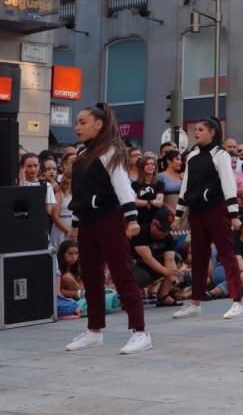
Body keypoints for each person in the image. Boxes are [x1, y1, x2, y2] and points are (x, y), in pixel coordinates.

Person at [64, 103, 151, 355]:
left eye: (83, 122)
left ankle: (140, 332)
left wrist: (132, 219)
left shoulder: (110, 152)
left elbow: (123, 187)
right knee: (90, 276)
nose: (77, 127)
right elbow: (80, 194)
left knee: (122, 274)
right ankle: (94, 331)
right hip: (88, 222)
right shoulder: (83, 155)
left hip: (110, 219)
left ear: (98, 124)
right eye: (77, 123)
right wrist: (76, 223)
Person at [172, 118, 243, 321]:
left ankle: (237, 302)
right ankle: (195, 302)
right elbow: (185, 186)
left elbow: (228, 184)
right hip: (196, 212)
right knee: (198, 256)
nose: (196, 133)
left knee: (226, 254)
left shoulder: (221, 155)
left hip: (216, 211)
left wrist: (233, 215)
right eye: (195, 130)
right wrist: (178, 214)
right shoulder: (192, 156)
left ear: (212, 132)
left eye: (200, 129)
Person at [131, 208, 180, 306]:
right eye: (162, 230)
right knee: (142, 276)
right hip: (136, 266)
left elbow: (169, 259)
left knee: (176, 258)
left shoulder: (168, 237)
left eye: (167, 230)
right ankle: (129, 297)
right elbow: (147, 258)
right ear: (153, 223)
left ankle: (163, 295)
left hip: (153, 268)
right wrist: (166, 272)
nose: (164, 233)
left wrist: (172, 276)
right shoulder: (141, 233)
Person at [132, 155, 165, 228]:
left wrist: (144, 202)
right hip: (139, 218)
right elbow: (134, 202)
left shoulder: (159, 184)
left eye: (152, 164)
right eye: (147, 164)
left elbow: (159, 203)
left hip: (155, 219)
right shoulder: (135, 184)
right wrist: (150, 202)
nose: (150, 166)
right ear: (142, 167)